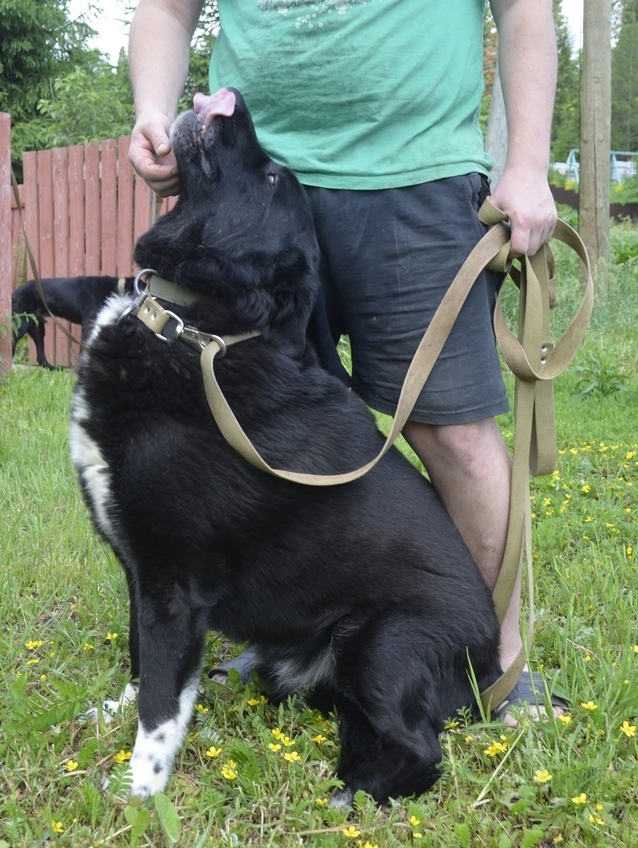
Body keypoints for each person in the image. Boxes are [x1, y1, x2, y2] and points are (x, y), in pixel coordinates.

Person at [126, 0, 565, 719]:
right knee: (245, 426)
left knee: (454, 433)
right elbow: (167, 10)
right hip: (250, 174)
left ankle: (497, 667)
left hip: (416, 174)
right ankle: (285, 634)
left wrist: (527, 165)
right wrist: (152, 109)